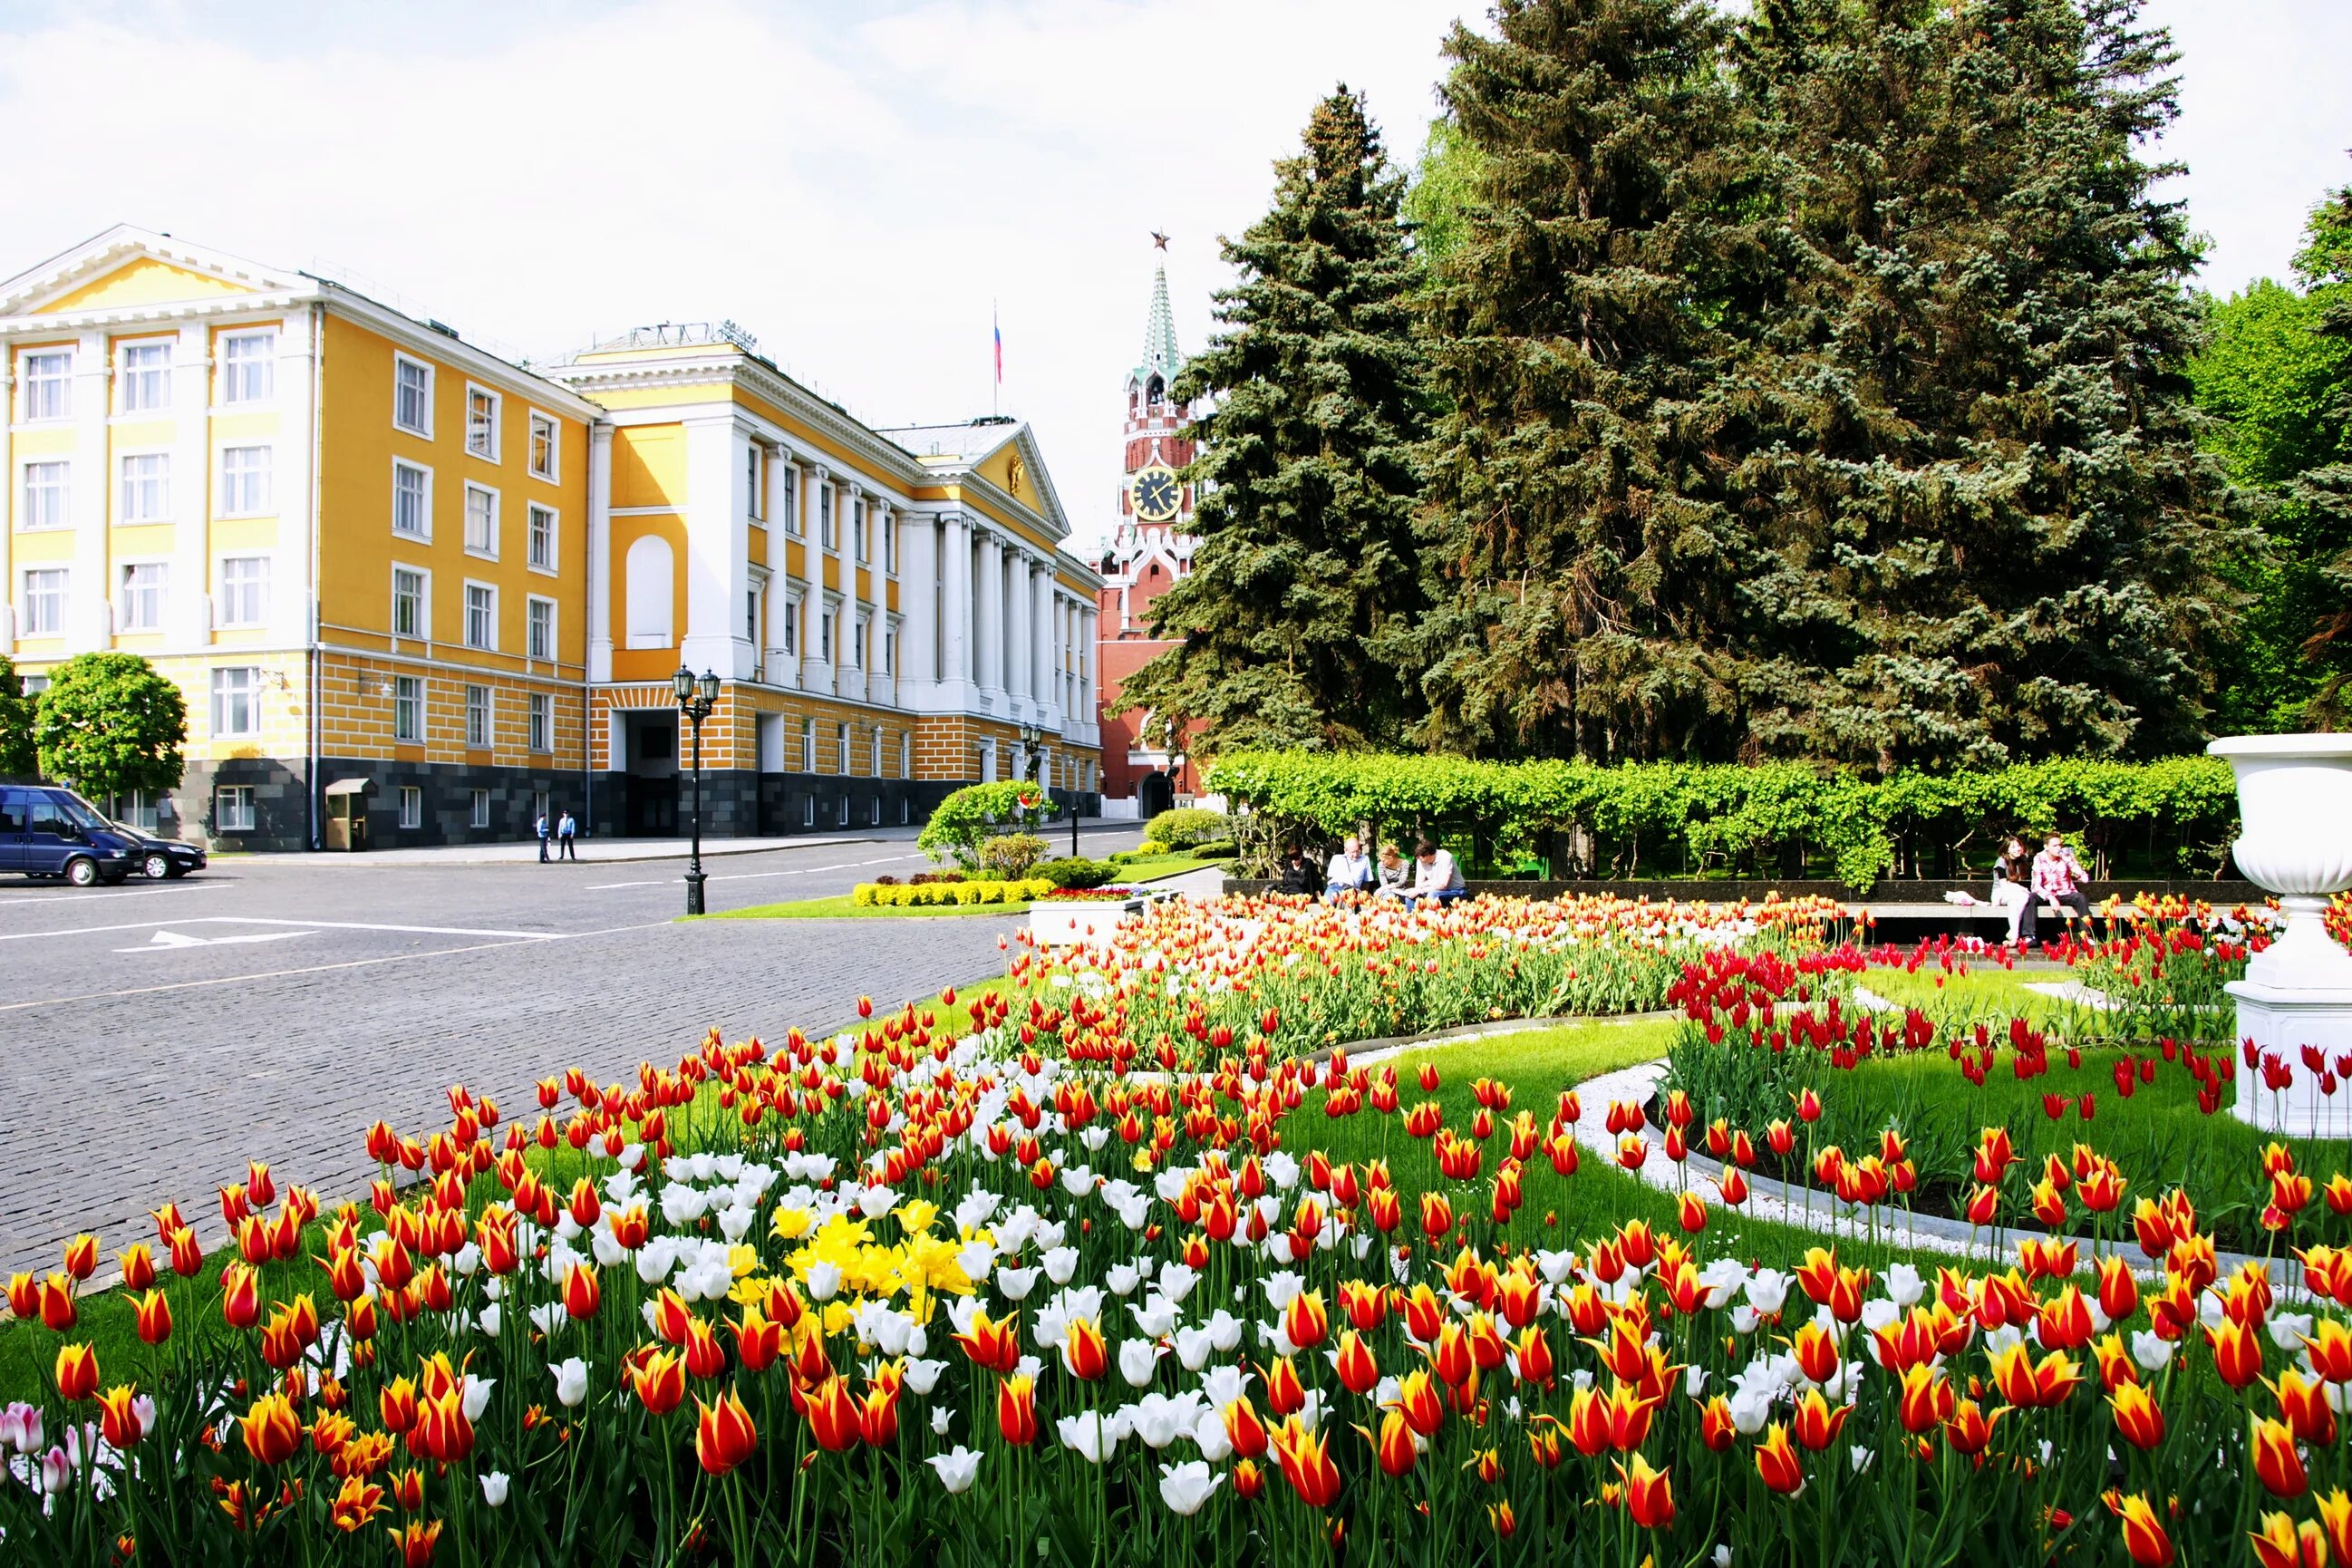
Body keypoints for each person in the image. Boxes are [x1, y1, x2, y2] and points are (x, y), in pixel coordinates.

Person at [2029, 829, 2090, 943]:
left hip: (2064, 893)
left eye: (2060, 845)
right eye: (2055, 845)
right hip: (2047, 894)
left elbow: (2085, 879)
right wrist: (2050, 897)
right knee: (2031, 897)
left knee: (2081, 897)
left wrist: (2071, 861)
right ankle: (2029, 936)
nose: (2059, 848)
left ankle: (2086, 935)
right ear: (2046, 847)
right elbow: (2035, 886)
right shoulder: (2039, 858)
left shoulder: (2065, 857)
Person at [1989, 834, 2031, 945]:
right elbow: (2003, 884)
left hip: (2013, 895)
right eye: (2013, 847)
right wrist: (2019, 888)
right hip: (2000, 893)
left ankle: (2014, 937)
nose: (2018, 849)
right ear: (2007, 849)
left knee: (2014, 904)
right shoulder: (2001, 861)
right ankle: (2014, 934)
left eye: (2019, 846)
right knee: (2024, 895)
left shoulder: (2021, 860)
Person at [1400, 837, 1466, 906]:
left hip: (1456, 891)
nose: (1419, 860)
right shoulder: (1420, 861)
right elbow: (1418, 885)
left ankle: (1431, 916)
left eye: (1420, 858)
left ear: (1428, 854)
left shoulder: (1445, 857)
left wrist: (1427, 884)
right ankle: (1413, 916)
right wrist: (1418, 890)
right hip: (1432, 890)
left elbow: (1442, 885)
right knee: (1410, 896)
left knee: (1432, 894)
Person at [1323, 835, 1374, 901]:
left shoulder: (1364, 859)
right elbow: (1329, 877)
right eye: (1353, 852)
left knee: (1350, 903)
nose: (1355, 855)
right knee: (1328, 901)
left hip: (1352, 889)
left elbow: (1367, 881)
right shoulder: (1336, 858)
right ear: (1346, 850)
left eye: (1358, 851)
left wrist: (1363, 894)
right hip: (1335, 887)